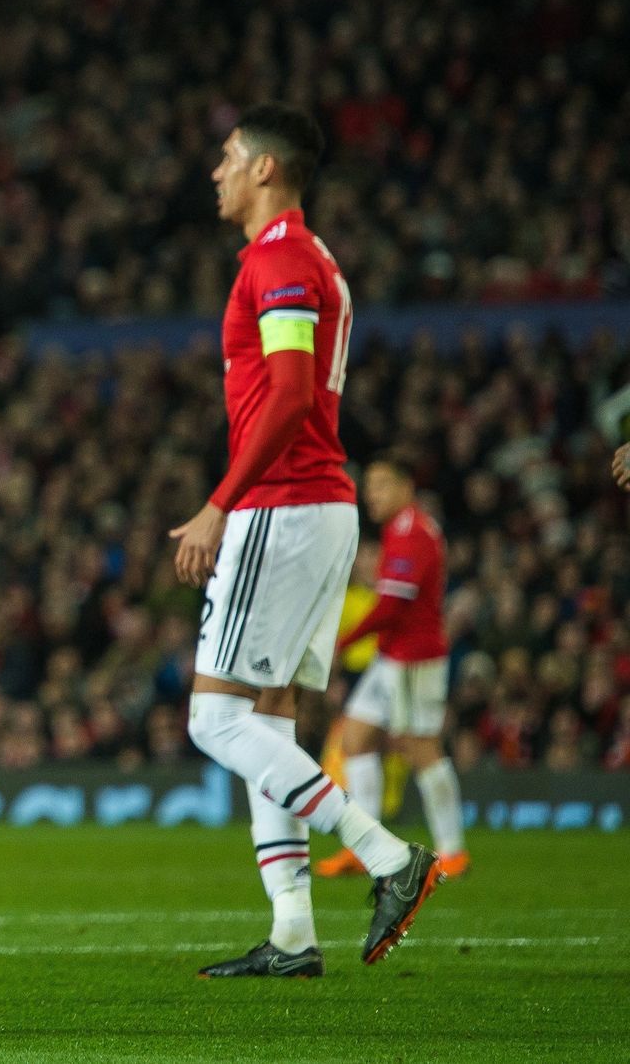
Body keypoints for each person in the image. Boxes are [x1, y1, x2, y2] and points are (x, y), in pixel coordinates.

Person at [170, 104, 443, 979]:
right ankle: (293, 931)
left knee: (213, 718)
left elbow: (288, 394)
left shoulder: (282, 260)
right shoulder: (310, 259)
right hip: (320, 508)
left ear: (264, 170)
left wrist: (221, 501)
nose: (214, 171)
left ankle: (387, 855)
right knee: (267, 718)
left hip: (283, 507)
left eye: (226, 157)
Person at [318, 454, 469, 879]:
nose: (372, 495)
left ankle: (453, 851)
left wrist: (344, 643)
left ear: (407, 487)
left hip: (413, 659)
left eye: (382, 485)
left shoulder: (413, 531)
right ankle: (367, 848)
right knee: (356, 737)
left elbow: (392, 605)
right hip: (392, 655)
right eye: (370, 487)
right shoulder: (400, 530)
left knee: (419, 746)